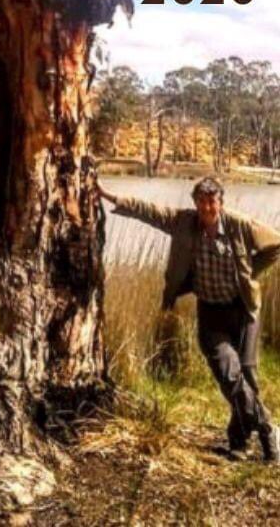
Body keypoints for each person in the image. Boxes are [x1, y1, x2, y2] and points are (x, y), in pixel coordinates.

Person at [97, 176, 280, 461]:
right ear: (195, 203)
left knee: (247, 375)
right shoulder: (183, 223)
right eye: (202, 201)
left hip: (243, 310)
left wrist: (248, 272)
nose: (207, 207)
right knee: (229, 374)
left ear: (221, 202)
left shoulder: (239, 225)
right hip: (210, 312)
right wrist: (110, 196)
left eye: (212, 201)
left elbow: (275, 244)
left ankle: (239, 443)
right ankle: (268, 427)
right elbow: (149, 211)